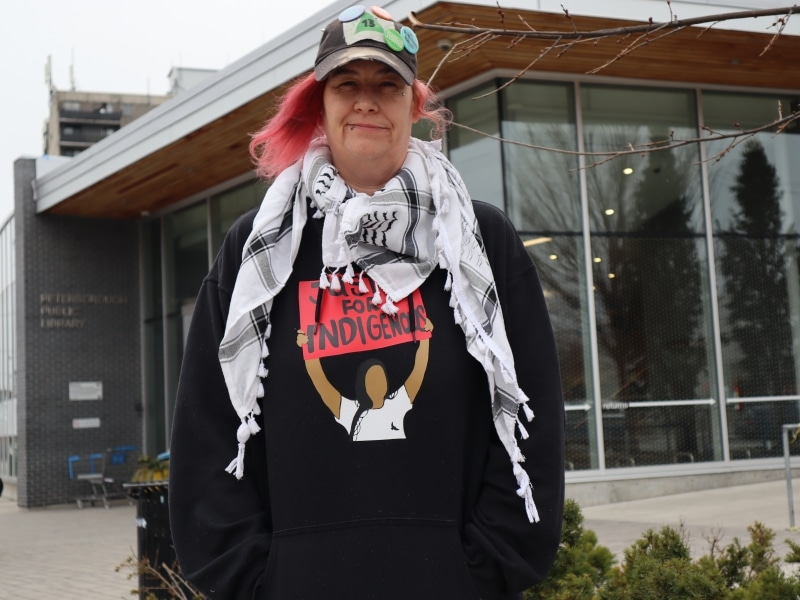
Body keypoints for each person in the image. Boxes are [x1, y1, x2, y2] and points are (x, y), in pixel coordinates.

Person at [169, 6, 565, 599]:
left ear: (415, 105)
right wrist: (255, 582)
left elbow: (533, 410)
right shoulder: (259, 249)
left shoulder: (477, 240)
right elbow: (208, 424)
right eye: (346, 84)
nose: (366, 101)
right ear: (319, 107)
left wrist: (483, 570)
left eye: (387, 85)